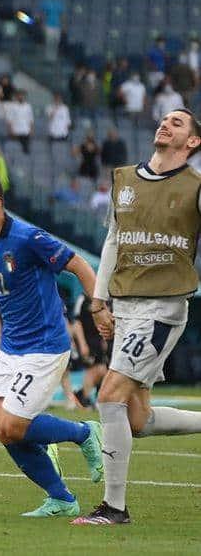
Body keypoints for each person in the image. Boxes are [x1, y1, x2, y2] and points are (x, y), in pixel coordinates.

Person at [0, 173, 104, 517]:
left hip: (45, 345)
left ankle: (83, 432)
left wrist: (97, 305)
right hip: (11, 348)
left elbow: (79, 264)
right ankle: (62, 499)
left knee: (14, 426)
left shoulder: (29, 237)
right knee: (4, 429)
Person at [73, 110, 201, 525]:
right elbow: (113, 240)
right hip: (125, 305)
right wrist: (98, 300)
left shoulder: (195, 185)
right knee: (137, 418)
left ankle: (114, 508)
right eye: (164, 119)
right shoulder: (124, 178)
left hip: (163, 307)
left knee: (109, 395)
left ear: (193, 142)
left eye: (178, 123)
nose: (166, 124)